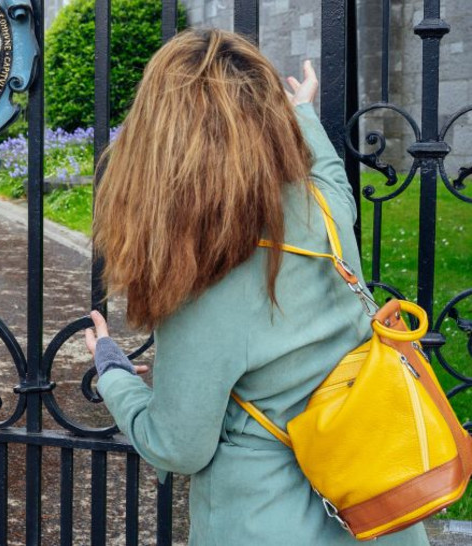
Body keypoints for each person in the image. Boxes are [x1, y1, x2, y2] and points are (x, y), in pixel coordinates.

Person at [82, 29, 428, 544]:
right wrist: (301, 112)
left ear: (162, 140)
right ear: (270, 116)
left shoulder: (202, 274)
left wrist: (113, 373)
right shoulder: (325, 209)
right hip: (381, 505)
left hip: (267, 520)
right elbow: (331, 175)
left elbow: (178, 445)